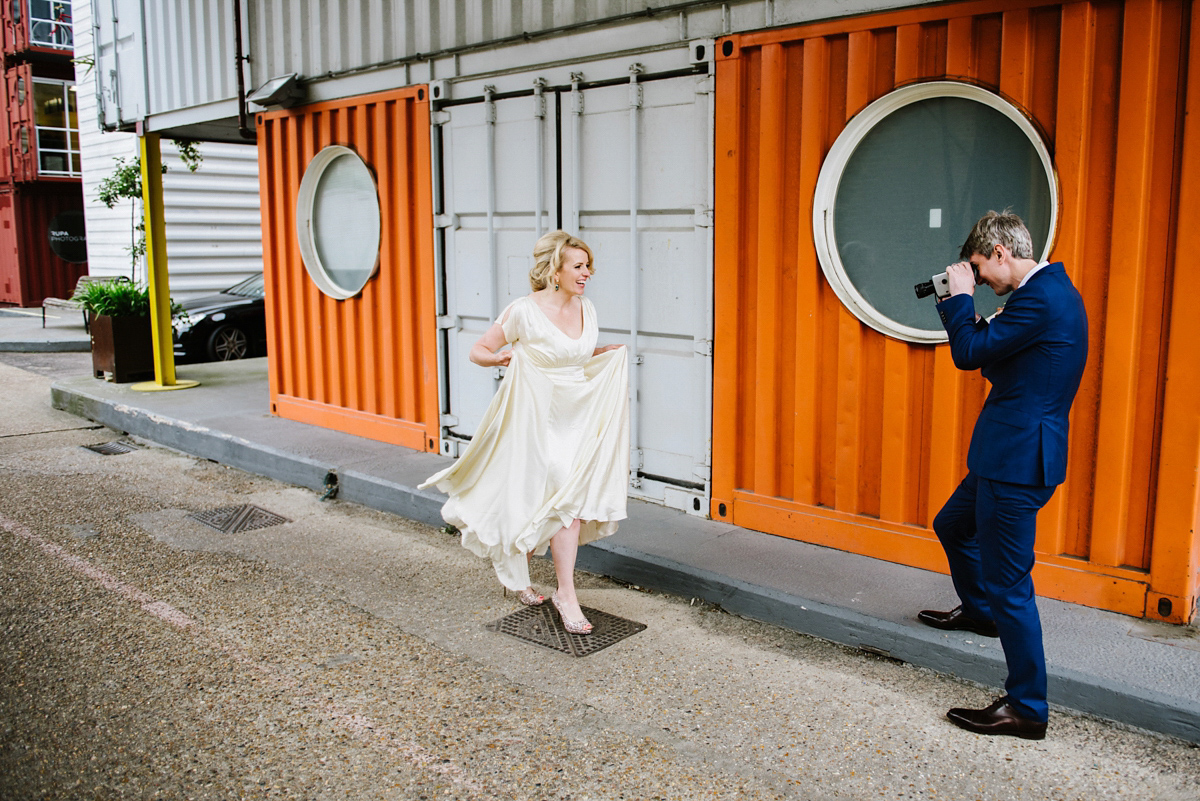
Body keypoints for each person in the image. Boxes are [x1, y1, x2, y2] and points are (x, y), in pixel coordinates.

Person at [918, 210, 1088, 739]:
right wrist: (980, 319)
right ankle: (980, 612)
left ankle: (1027, 708)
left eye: (978, 266)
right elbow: (1004, 360)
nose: (979, 277)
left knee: (1011, 584)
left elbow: (970, 355)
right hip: (1007, 455)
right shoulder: (1045, 297)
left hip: (1016, 464)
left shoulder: (1040, 298)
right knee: (952, 525)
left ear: (999, 253)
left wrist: (957, 299)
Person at [420, 231, 628, 635]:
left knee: (569, 502)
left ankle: (558, 589)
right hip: (535, 417)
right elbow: (478, 349)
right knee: (548, 498)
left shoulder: (587, 308)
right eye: (579, 266)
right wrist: (501, 357)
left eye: (588, 266)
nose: (587, 273)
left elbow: (574, 358)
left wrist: (606, 354)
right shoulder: (523, 311)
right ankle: (547, 584)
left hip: (577, 417)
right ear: (556, 270)